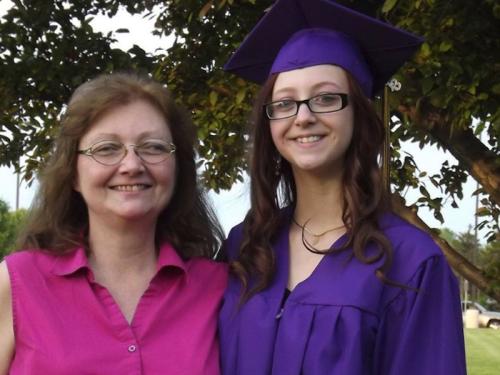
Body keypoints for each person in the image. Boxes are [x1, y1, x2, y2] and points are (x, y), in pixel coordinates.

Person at [218, 0, 466, 374]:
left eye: (326, 98)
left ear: (359, 114)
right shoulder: (244, 246)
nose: (303, 117)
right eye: (284, 103)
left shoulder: (411, 262)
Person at [0, 72, 227, 374]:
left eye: (154, 147)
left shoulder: (219, 288)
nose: (132, 165)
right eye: (107, 148)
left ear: (178, 169)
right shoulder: (18, 283)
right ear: (73, 174)